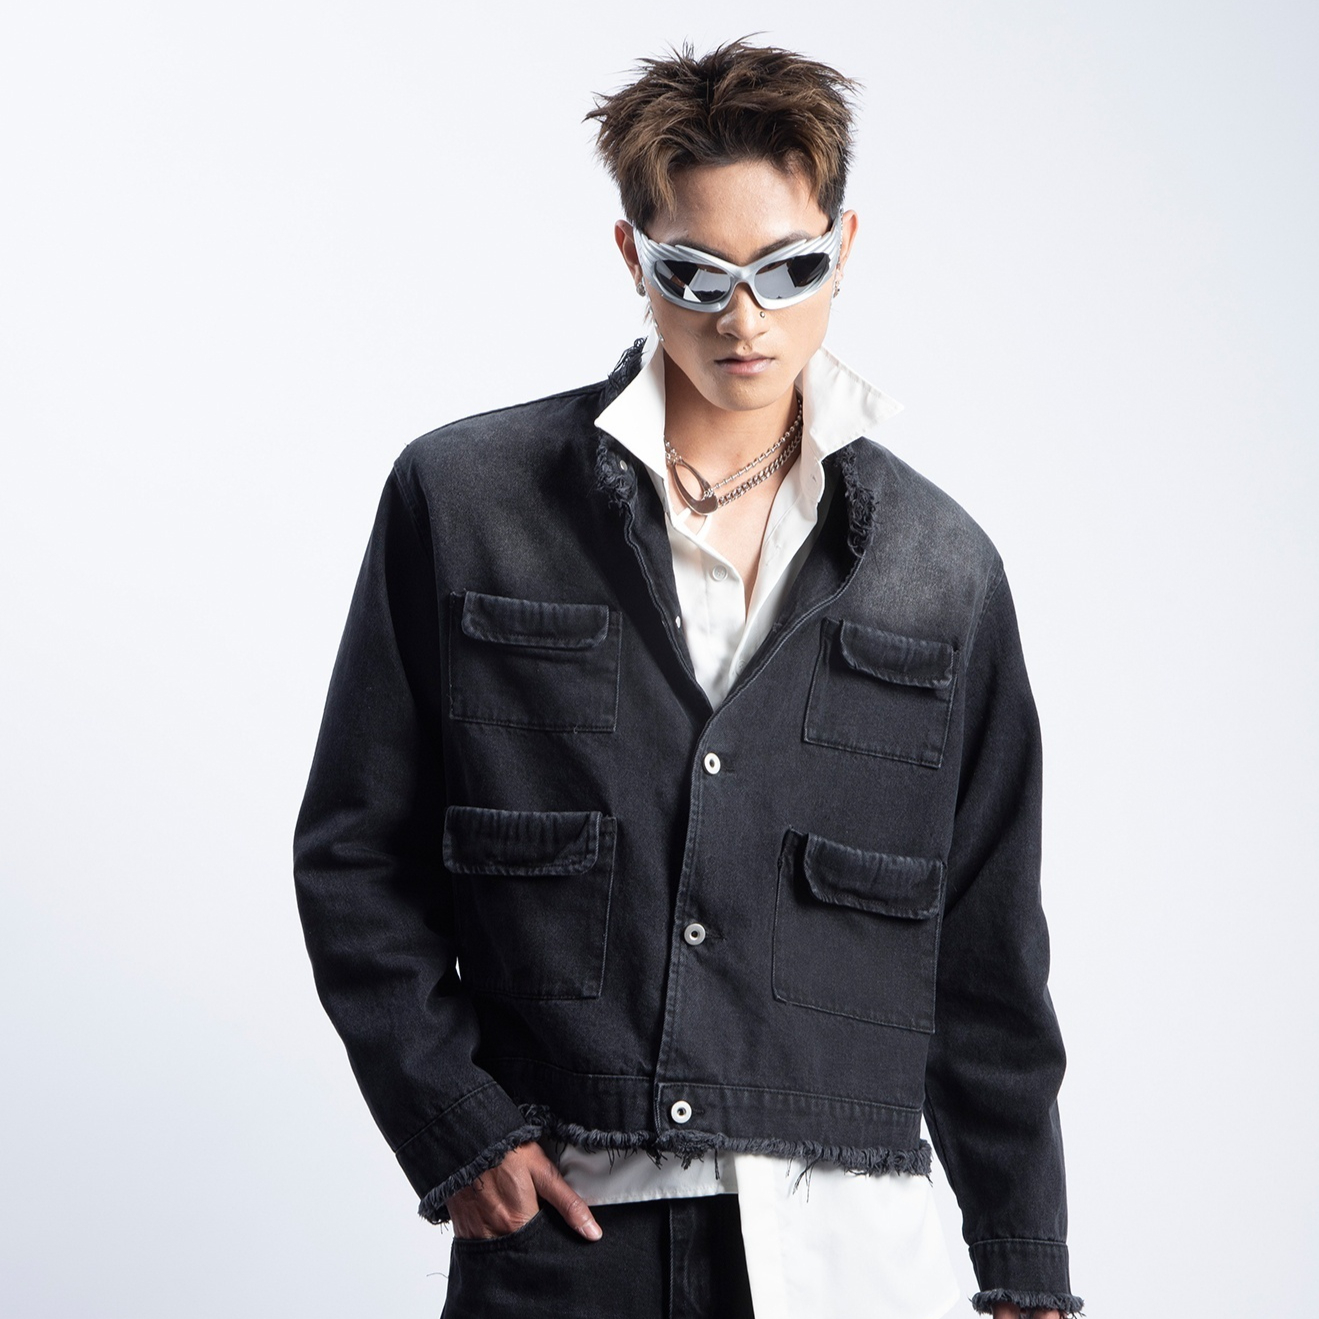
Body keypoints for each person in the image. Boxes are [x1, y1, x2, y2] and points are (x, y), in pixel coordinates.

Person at [293, 39, 1083, 1319]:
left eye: (787, 268)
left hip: (845, 1255)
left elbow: (988, 945)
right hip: (569, 1234)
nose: (742, 318)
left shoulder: (939, 571)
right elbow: (354, 850)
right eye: (694, 274)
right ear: (631, 256)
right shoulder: (467, 502)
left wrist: (1023, 1254)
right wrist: (453, 1120)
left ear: (844, 245)